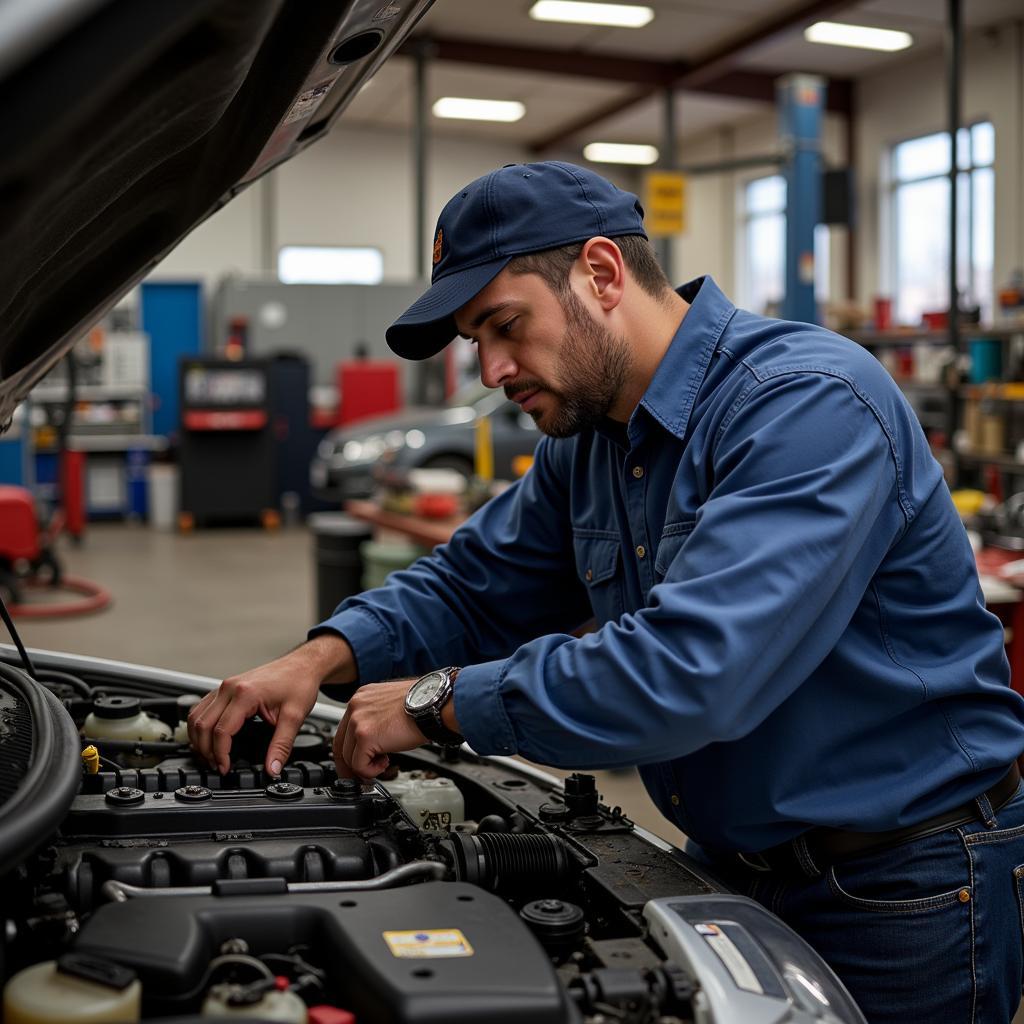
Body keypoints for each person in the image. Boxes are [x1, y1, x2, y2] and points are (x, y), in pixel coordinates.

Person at [189, 161, 1024, 1022]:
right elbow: (476, 585)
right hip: (732, 862)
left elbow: (692, 669)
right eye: (476, 340)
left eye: (503, 325)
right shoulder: (589, 441)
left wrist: (440, 701)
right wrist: (318, 656)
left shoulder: (805, 402)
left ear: (600, 272)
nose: (490, 368)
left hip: (901, 883)